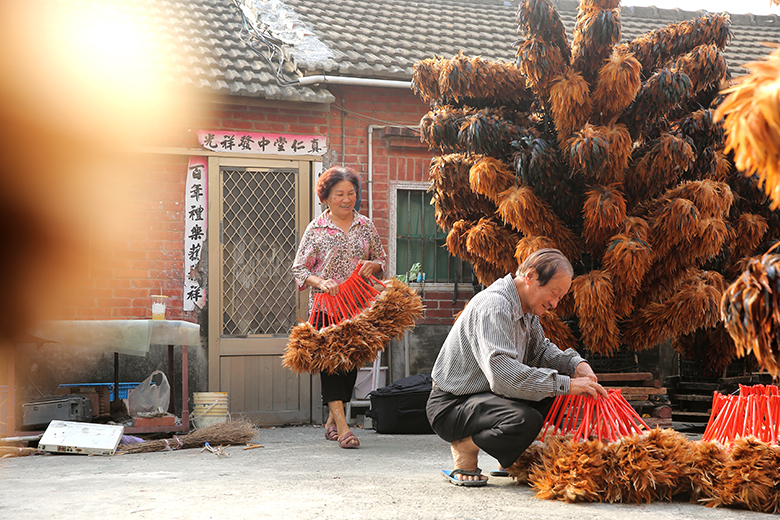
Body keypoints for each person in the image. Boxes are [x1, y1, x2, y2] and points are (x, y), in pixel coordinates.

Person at [426, 248, 607, 486]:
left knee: (553, 394)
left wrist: (576, 365)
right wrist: (567, 384)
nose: (553, 303)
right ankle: (465, 448)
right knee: (526, 419)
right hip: (453, 406)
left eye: (559, 298)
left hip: (487, 400)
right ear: (530, 276)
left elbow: (541, 351)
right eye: (554, 293)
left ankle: (508, 459)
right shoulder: (495, 305)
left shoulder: (527, 311)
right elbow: (503, 376)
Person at [292, 165, 387, 449]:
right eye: (339, 194)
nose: (346, 199)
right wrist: (320, 282)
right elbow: (299, 269)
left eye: (351, 193)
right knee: (332, 365)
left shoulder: (366, 225)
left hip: (358, 305)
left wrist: (376, 265)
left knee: (351, 365)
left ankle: (331, 421)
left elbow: (381, 258)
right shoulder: (317, 229)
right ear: (326, 196)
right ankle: (344, 427)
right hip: (326, 306)